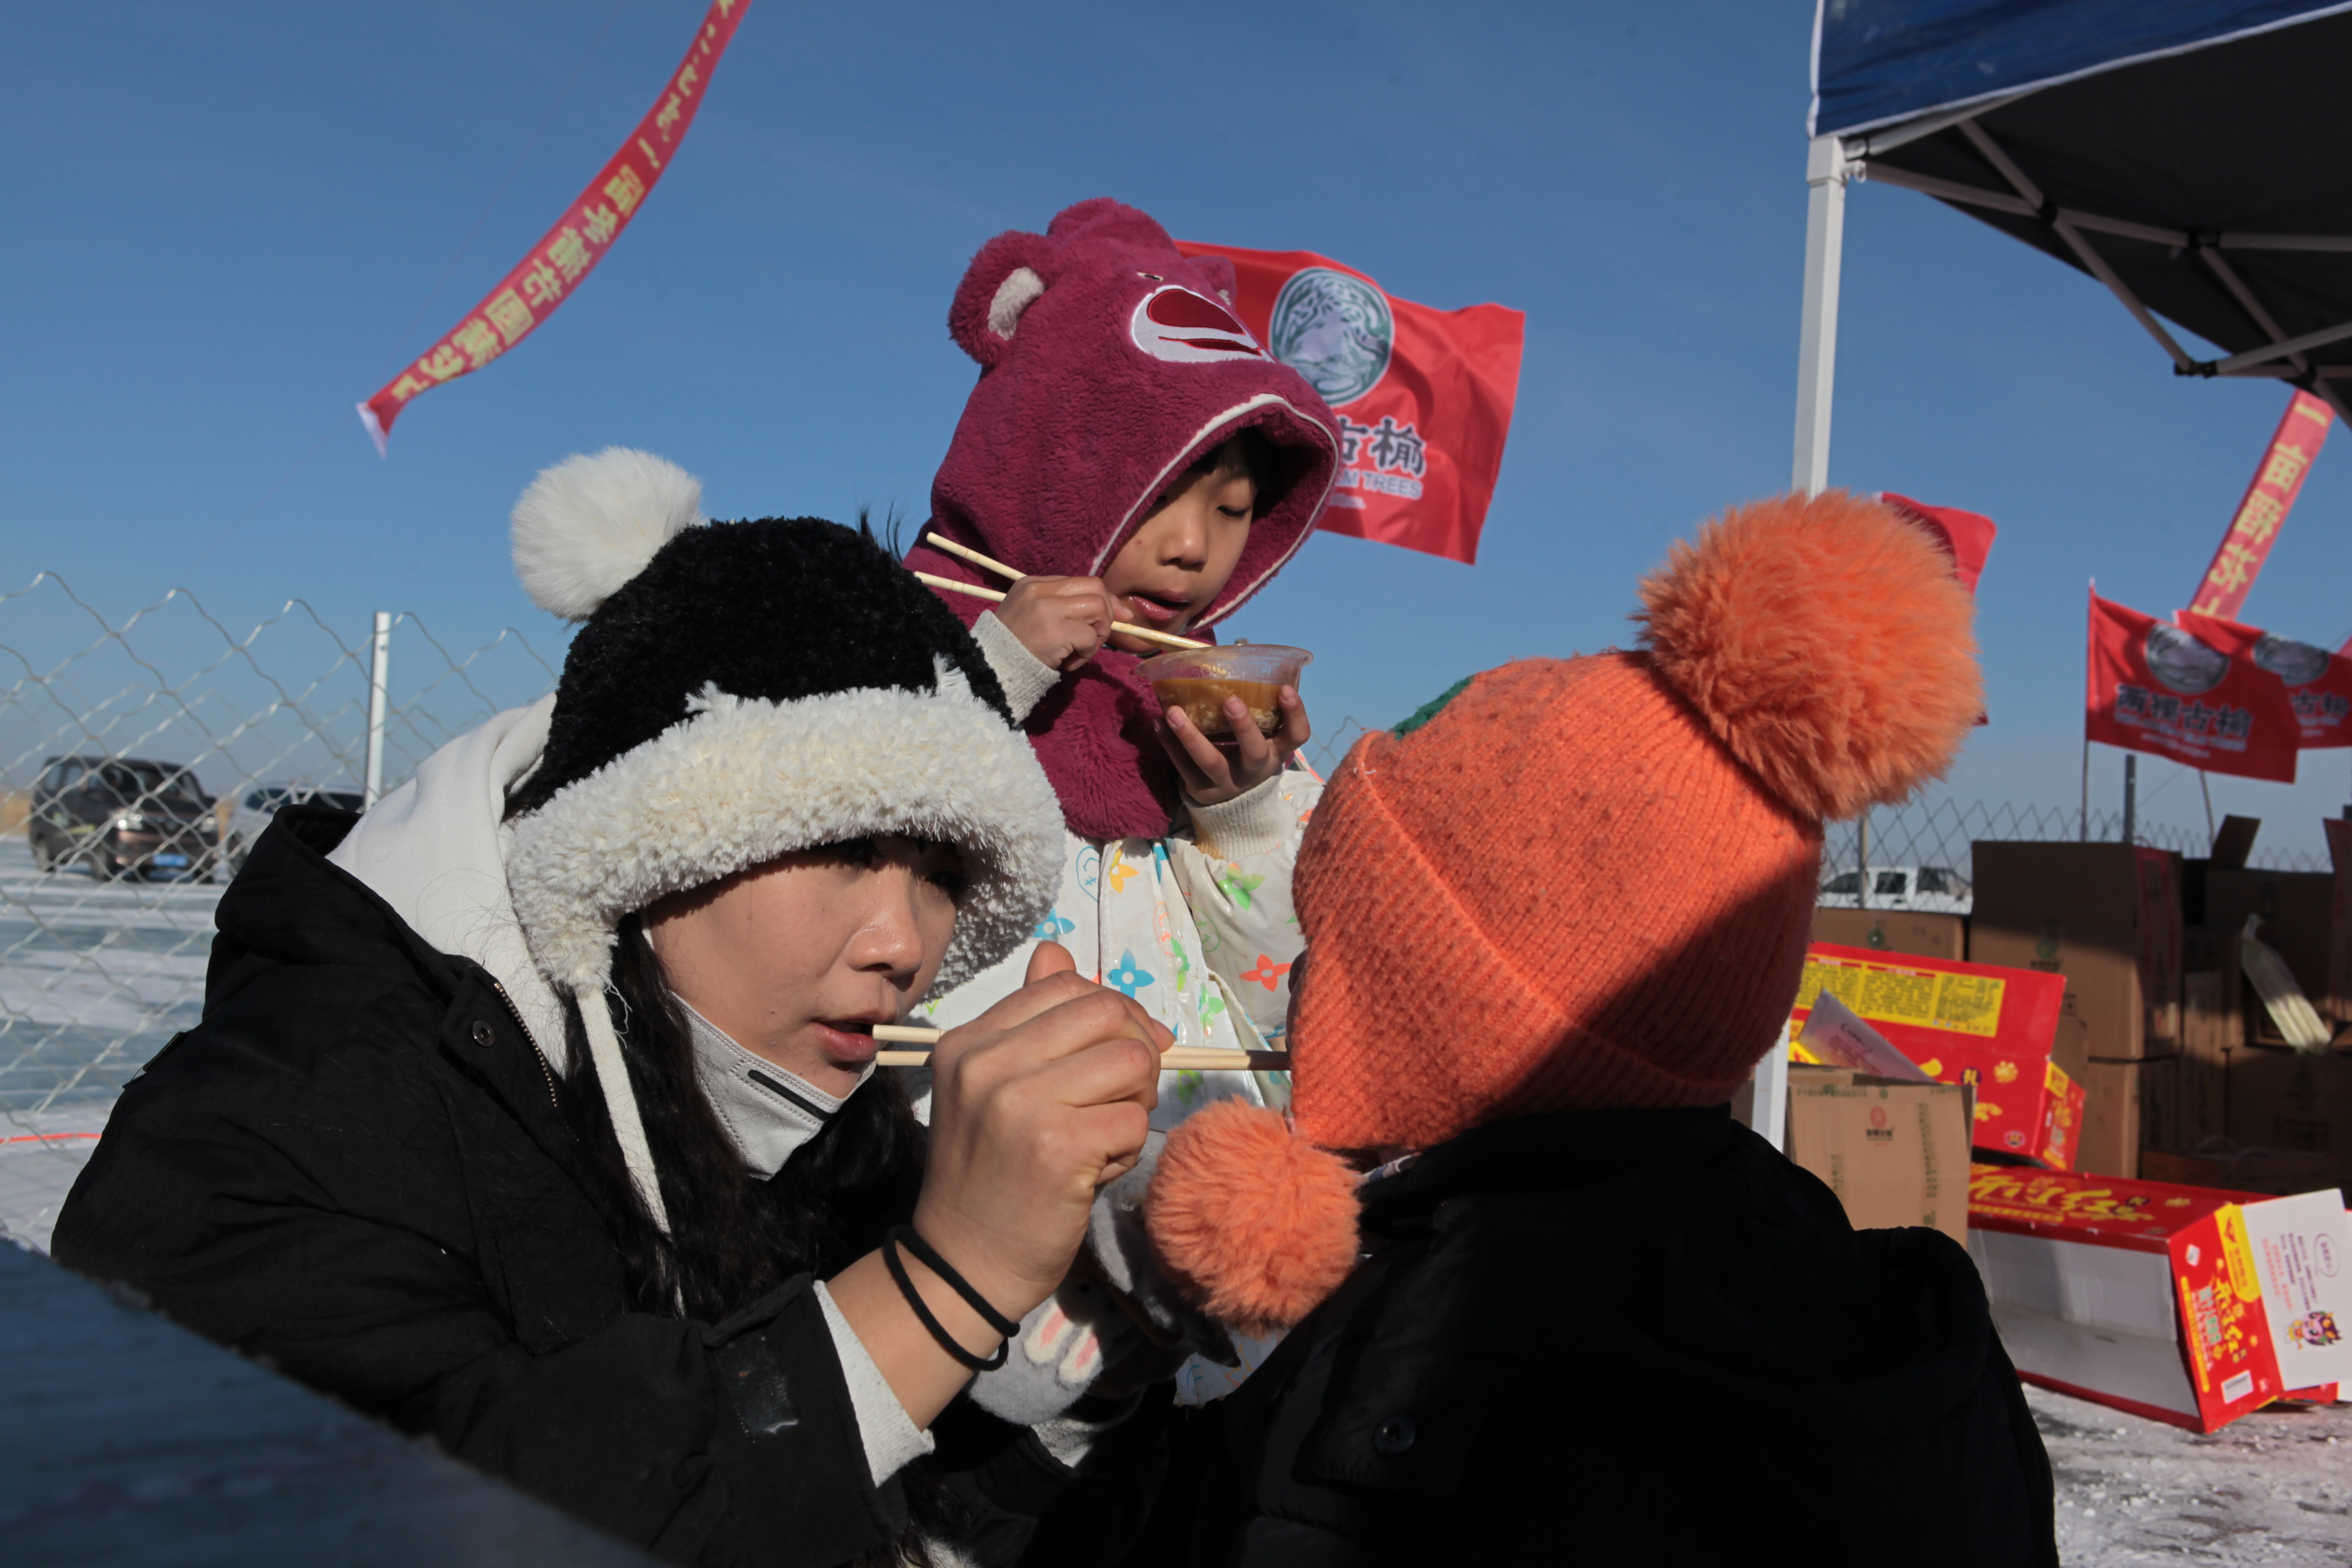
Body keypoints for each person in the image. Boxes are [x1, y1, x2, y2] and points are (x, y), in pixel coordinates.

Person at [53, 449, 1183, 1567]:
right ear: (637, 851)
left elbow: (869, 1505)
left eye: (942, 872)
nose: (902, 946)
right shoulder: (285, 1115)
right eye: (841, 846)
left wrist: (1061, 1399)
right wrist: (944, 1283)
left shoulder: (820, 1115)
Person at [1132, 490, 2061, 1565]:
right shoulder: (1855, 1298)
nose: (1305, 980)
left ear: (1452, 1010)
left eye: (1345, 943)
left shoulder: (1418, 1393)